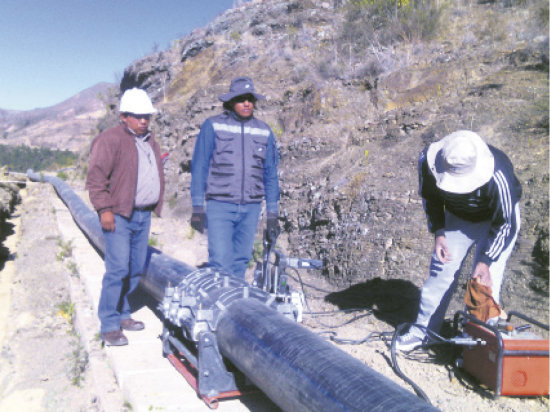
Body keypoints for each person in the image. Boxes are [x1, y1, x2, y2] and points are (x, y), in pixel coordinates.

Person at [396, 130, 521, 351]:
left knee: (482, 286)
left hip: (497, 222)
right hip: (459, 218)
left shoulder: (498, 174)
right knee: (440, 272)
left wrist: (486, 261)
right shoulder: (428, 161)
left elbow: (506, 223)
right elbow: (431, 199)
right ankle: (424, 333)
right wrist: (440, 233)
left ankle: (474, 345)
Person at [86, 88, 165, 346]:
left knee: (135, 268)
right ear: (124, 116)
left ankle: (123, 313)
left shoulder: (150, 141)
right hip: (119, 215)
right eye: (138, 116)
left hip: (143, 216)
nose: (144, 120)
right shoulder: (110, 140)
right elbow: (96, 178)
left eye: (147, 116)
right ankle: (109, 324)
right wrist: (104, 210)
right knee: (118, 268)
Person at [190, 76, 280, 279]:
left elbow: (271, 174)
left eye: (250, 99)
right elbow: (199, 166)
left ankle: (234, 307)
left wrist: (272, 214)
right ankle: (218, 307)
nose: (247, 103)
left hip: (251, 208)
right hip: (220, 206)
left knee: (241, 261)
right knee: (220, 262)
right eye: (241, 99)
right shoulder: (212, 126)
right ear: (230, 102)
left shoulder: (264, 131)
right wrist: (197, 207)